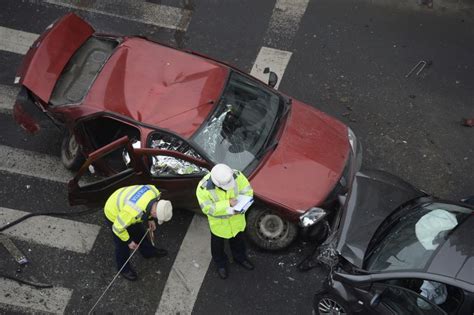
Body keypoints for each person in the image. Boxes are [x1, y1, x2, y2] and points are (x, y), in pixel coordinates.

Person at [196, 163, 254, 279]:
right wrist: (227, 205)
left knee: (238, 242)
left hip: (237, 221)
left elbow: (248, 192)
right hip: (219, 226)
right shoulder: (203, 188)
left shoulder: (236, 175)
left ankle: (240, 258)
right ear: (218, 184)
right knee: (217, 246)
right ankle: (220, 264)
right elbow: (208, 208)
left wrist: (242, 208)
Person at [104, 184, 173, 281]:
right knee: (122, 246)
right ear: (154, 213)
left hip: (123, 204)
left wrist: (150, 219)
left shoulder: (154, 192)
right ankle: (124, 269)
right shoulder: (132, 212)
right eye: (157, 217)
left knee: (140, 233)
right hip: (114, 214)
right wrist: (128, 241)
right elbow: (117, 228)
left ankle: (148, 252)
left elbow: (150, 207)